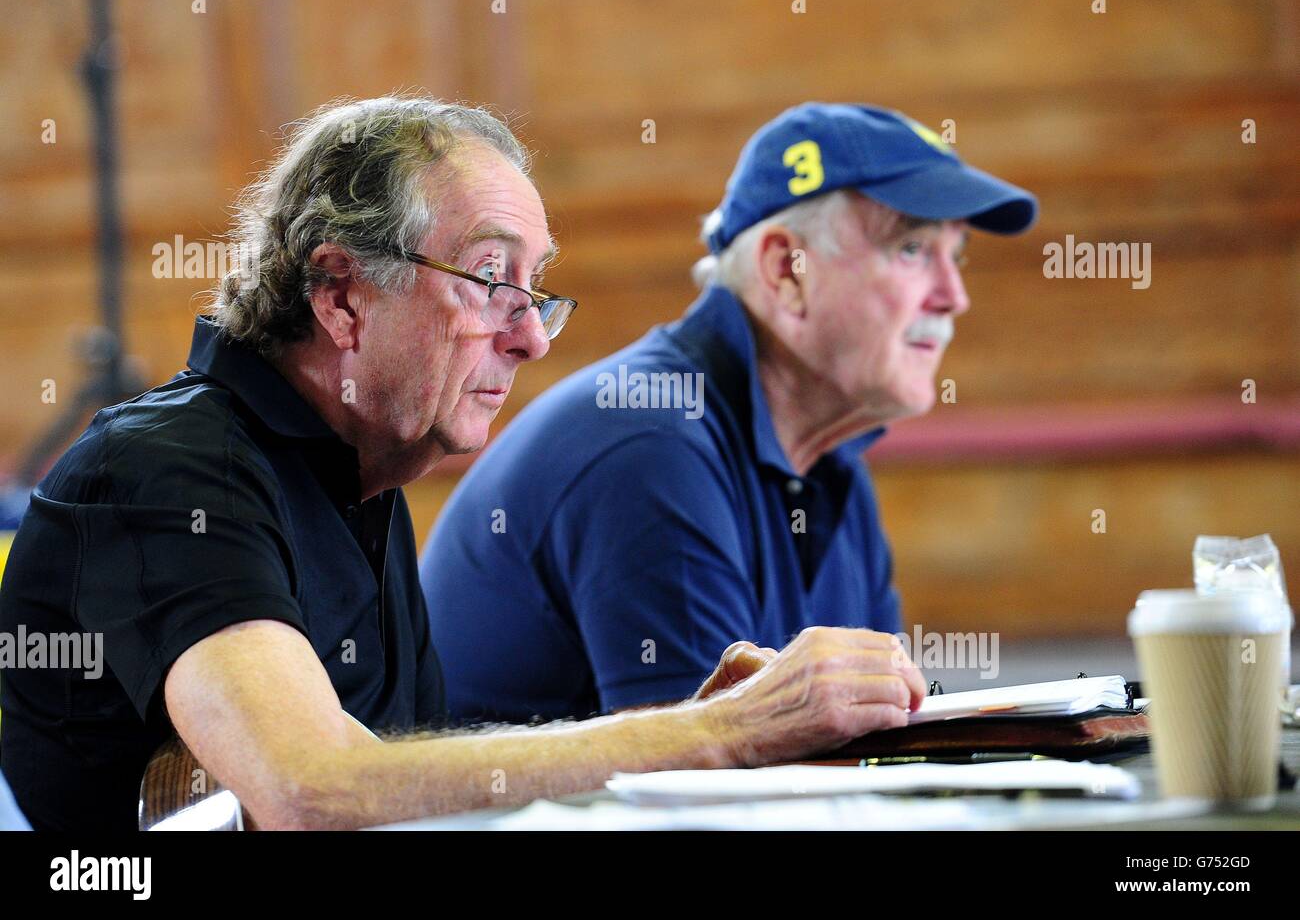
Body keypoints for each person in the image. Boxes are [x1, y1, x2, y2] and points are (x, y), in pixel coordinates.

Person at [0, 96, 925, 831]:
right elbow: (312, 792)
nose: (530, 338)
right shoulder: (167, 472)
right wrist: (715, 736)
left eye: (536, 289)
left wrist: (681, 725)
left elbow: (409, 795)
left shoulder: (363, 480)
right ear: (341, 297)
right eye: (491, 280)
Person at [420, 102, 1036, 722]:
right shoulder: (651, 442)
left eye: (954, 256)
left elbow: (874, 737)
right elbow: (709, 786)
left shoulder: (828, 457)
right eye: (910, 248)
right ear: (784, 272)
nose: (954, 297)